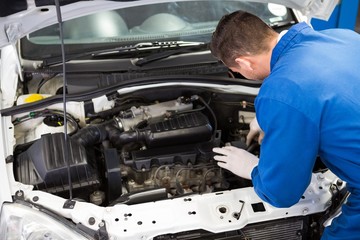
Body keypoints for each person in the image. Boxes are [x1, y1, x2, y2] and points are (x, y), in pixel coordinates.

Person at [210, 10, 360, 240]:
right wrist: (277, 115)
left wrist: (251, 168)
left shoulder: (282, 92)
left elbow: (283, 192)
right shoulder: (342, 37)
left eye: (236, 71)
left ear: (243, 63)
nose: (238, 74)